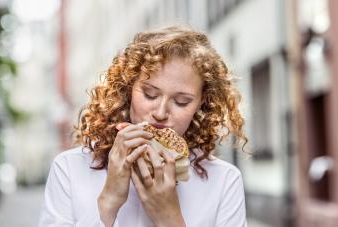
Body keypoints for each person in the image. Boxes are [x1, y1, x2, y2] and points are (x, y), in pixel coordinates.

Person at [38, 26, 248, 227]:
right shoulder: (70, 168)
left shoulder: (223, 181)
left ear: (201, 104)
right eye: (150, 94)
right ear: (129, 89)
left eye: (182, 101)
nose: (160, 112)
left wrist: (170, 219)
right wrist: (109, 200)